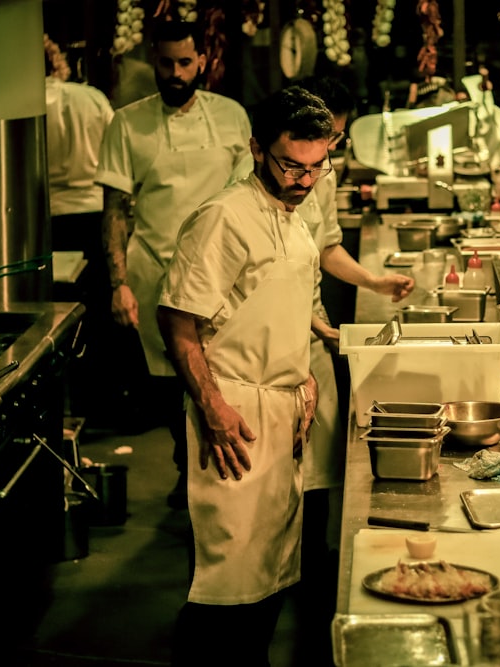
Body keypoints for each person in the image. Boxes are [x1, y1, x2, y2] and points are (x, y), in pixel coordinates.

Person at [157, 85, 331, 667]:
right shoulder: (224, 218)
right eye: (291, 164)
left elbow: (278, 298)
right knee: (225, 589)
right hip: (235, 415)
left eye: (317, 166)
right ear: (257, 149)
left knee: (268, 582)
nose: (305, 179)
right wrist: (212, 406)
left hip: (283, 413)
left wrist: (306, 373)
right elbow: (178, 319)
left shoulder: (295, 218)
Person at [95, 19, 252, 510]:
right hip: (155, 272)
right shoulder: (127, 123)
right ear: (153, 60)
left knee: (221, 375)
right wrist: (118, 283)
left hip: (223, 273)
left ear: (202, 61)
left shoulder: (231, 117)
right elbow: (116, 208)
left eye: (186, 63)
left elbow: (248, 200)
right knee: (169, 385)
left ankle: (213, 475)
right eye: (167, 63)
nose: (177, 73)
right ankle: (188, 473)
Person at [292, 74, 414, 666]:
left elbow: (323, 245)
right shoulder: (278, 171)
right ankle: (300, 610)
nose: (330, 154)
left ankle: (316, 600)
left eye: (337, 141)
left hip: (308, 329)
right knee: (286, 489)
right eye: (329, 137)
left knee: (319, 481)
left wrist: (375, 279)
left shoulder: (323, 170)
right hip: (274, 339)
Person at [43, 34, 117, 423]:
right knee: (98, 313)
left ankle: (63, 404)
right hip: (93, 212)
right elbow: (116, 154)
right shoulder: (91, 99)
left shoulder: (28, 104)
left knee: (58, 314)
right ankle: (99, 404)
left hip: (48, 218)